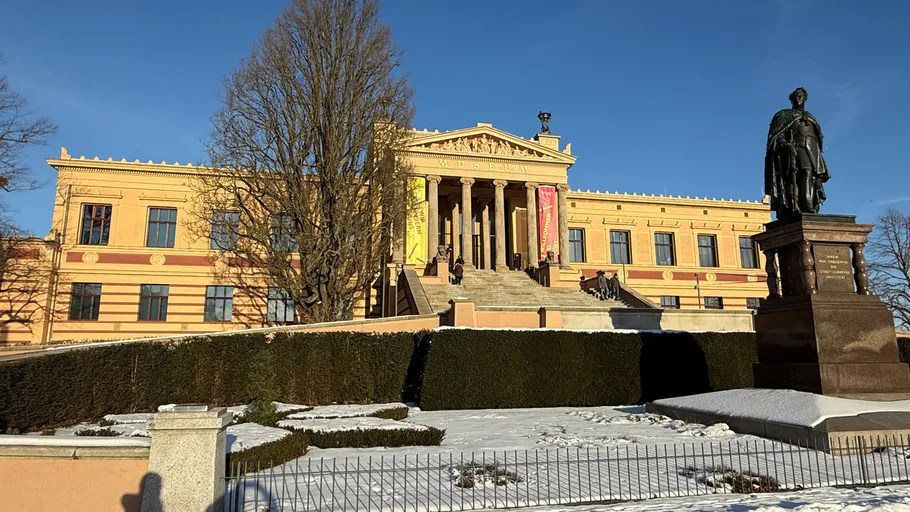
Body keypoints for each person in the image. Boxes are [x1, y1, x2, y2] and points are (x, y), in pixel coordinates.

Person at [764, 87, 830, 217]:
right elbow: (776, 135)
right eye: (796, 96)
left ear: (805, 98)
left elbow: (819, 136)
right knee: (806, 172)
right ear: (791, 99)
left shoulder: (811, 117)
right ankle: (806, 204)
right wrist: (785, 144)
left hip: (813, 150)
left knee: (813, 178)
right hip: (797, 147)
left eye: (801, 96)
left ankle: (810, 202)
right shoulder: (784, 115)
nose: (798, 99)